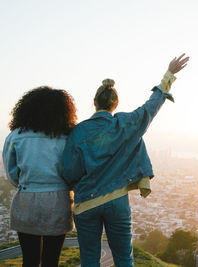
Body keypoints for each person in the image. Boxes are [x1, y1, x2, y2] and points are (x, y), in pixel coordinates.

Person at [62, 54, 189, 266]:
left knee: (89, 260)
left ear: (94, 103)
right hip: (116, 200)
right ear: (115, 104)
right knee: (123, 258)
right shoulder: (125, 123)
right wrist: (169, 75)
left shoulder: (78, 132)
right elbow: (150, 108)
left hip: (85, 203)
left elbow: (69, 172)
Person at [2, 87, 77, 267]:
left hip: (27, 200)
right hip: (59, 201)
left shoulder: (16, 136)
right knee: (52, 260)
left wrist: (26, 183)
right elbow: (74, 170)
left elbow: (11, 173)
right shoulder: (69, 137)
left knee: (29, 260)